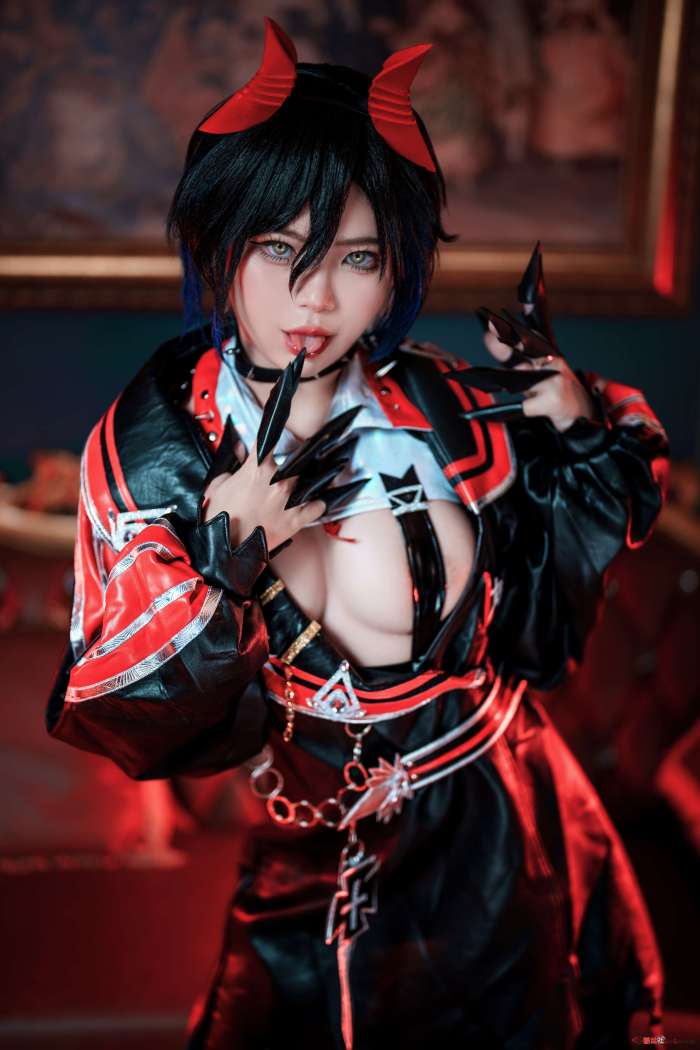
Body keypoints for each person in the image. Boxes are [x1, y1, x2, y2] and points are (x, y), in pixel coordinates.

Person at [46, 18, 668, 1050]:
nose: (317, 297)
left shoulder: (444, 402)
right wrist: (224, 567)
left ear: (395, 271)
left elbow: (569, 565)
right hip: (316, 848)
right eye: (279, 249)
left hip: (504, 824)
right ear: (221, 246)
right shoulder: (156, 451)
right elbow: (127, 715)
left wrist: (572, 425)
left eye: (359, 257)